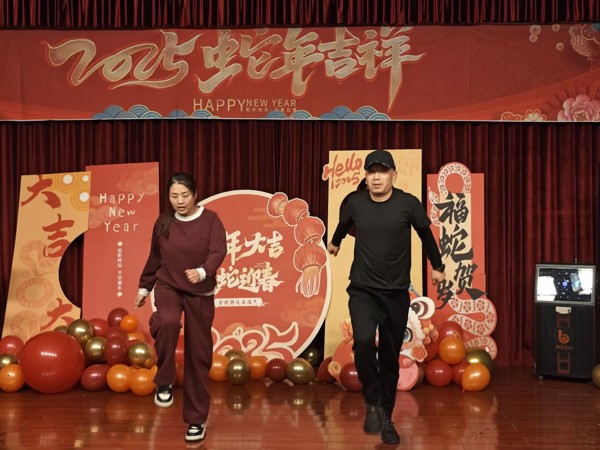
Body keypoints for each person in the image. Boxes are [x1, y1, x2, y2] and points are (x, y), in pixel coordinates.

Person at [327, 149, 446, 445]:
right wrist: (335, 242)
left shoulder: (408, 204)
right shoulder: (356, 203)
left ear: (393, 174)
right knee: (364, 342)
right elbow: (342, 224)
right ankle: (372, 400)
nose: (377, 177)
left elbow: (426, 234)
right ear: (366, 177)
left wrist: (438, 266)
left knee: (390, 356)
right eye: (371, 172)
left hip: (395, 293)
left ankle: (386, 417)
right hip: (363, 290)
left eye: (382, 171)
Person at [134, 172, 227, 443]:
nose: (180, 201)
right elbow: (155, 258)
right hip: (169, 286)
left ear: (195, 194)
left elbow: (218, 251)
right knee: (167, 321)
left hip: (200, 292)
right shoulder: (163, 222)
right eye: (174, 196)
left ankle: (197, 420)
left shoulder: (211, 220)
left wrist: (203, 271)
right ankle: (164, 380)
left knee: (198, 356)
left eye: (185, 195)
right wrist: (143, 288)